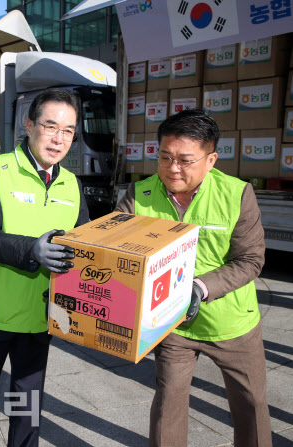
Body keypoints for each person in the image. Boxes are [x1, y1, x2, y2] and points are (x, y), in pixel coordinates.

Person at [114, 109, 271, 447]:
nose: (173, 169)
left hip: (231, 324)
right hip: (173, 325)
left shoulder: (236, 194)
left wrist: (200, 288)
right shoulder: (138, 195)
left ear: (211, 159)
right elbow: (111, 247)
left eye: (185, 160)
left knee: (251, 406)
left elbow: (250, 260)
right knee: (168, 405)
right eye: (165, 157)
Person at [0, 88, 90, 447]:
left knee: (27, 412)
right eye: (50, 126)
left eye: (68, 131)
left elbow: (85, 245)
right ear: (29, 125)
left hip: (39, 316)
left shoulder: (72, 184)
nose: (59, 139)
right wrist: (32, 250)